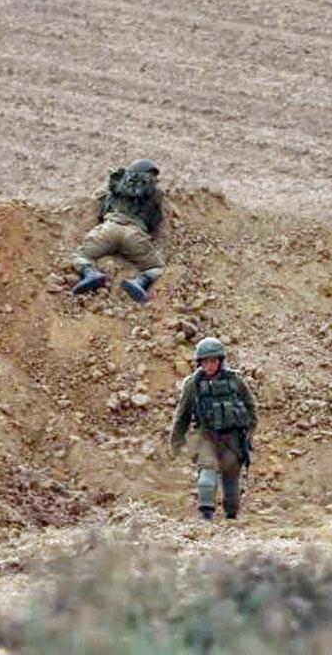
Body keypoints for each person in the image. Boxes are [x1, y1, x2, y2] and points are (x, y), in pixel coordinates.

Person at [170, 337, 258, 521]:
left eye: (213, 361)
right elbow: (182, 415)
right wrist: (177, 441)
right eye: (205, 361)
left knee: (231, 485)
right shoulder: (192, 384)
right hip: (206, 437)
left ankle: (230, 520)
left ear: (220, 360)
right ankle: (206, 519)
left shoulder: (235, 381)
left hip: (233, 439)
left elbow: (251, 408)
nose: (209, 365)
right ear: (199, 362)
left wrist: (249, 435)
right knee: (206, 477)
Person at [70, 158, 165, 304]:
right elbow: (154, 221)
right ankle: (139, 282)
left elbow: (101, 211)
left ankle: (91, 274)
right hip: (134, 234)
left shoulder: (116, 186)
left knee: (81, 256)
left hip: (110, 228)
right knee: (156, 267)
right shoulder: (155, 193)